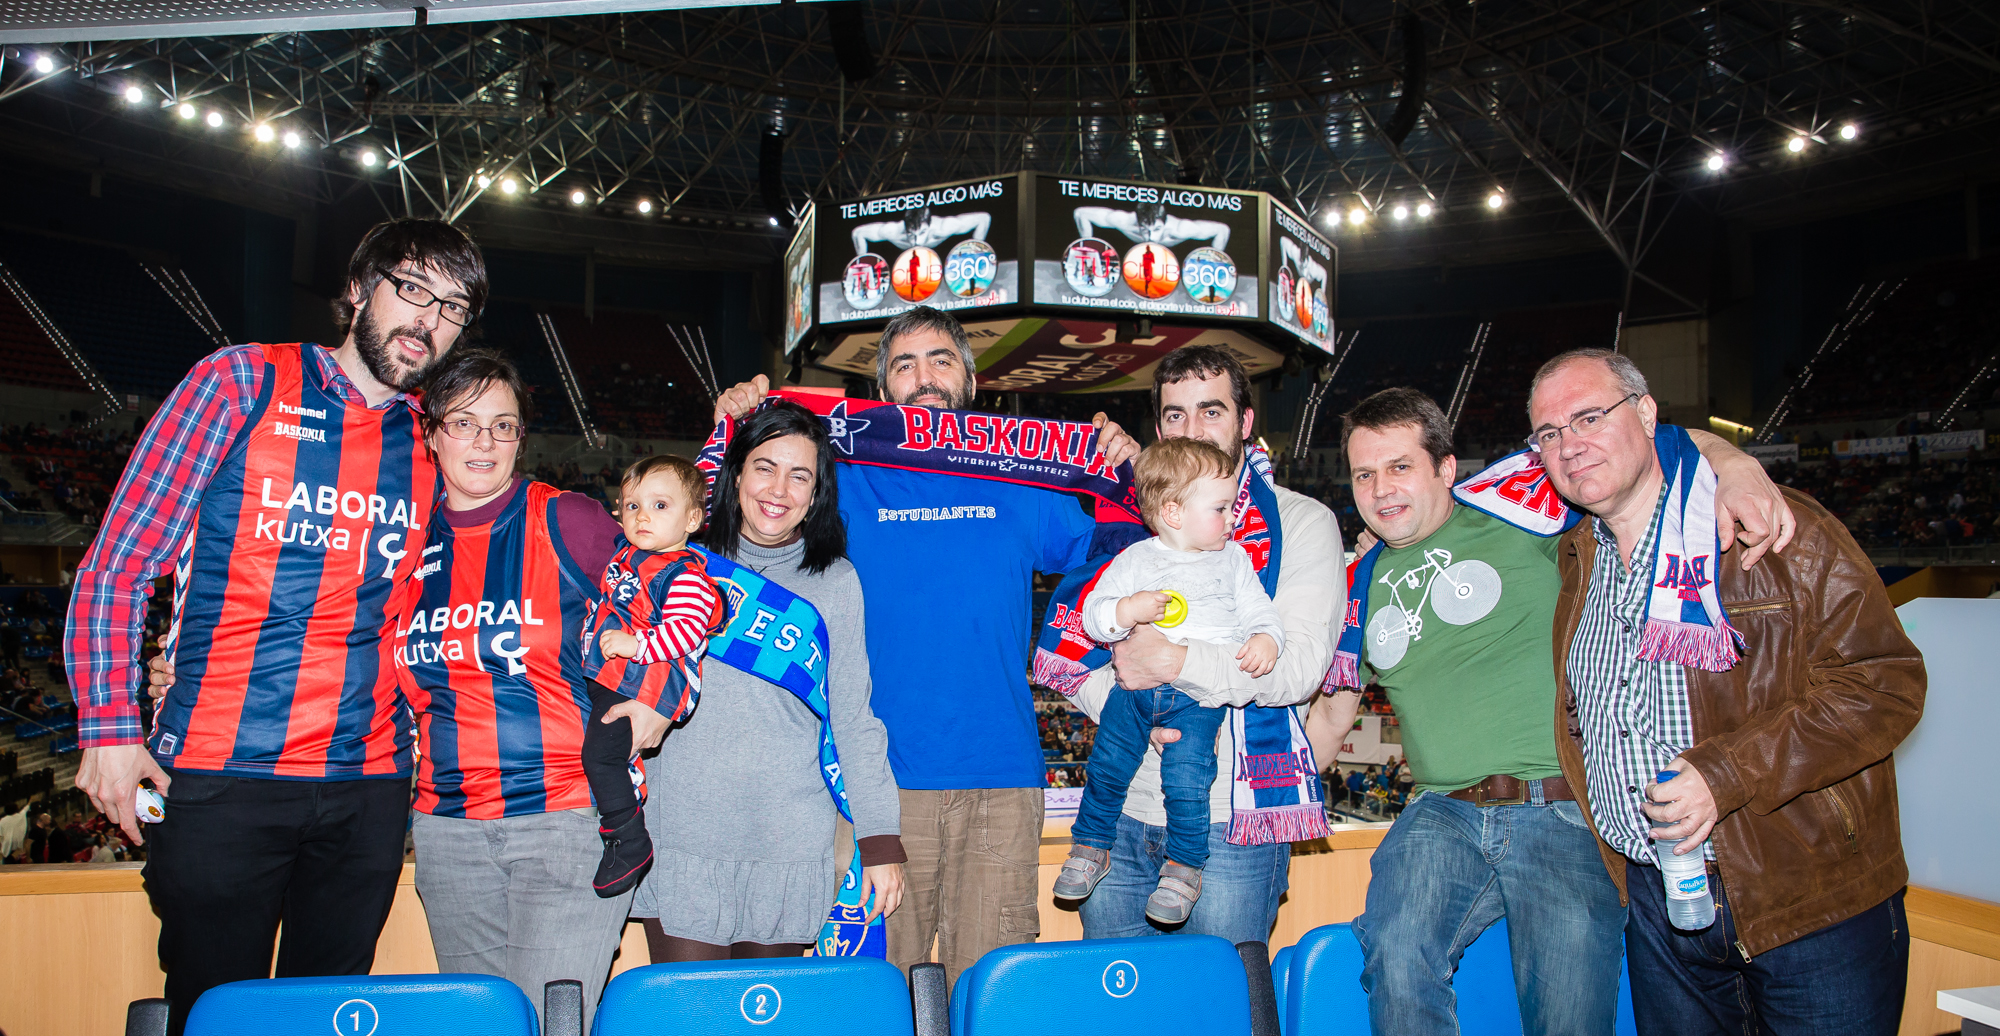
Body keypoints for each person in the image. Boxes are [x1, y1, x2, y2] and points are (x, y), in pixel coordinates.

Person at [66, 217, 484, 1034]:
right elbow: (118, 564)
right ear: (359, 291)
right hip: (219, 779)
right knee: (217, 1013)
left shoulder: (437, 439)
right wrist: (111, 728)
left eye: (454, 307)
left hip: (366, 789)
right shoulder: (237, 384)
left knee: (327, 1019)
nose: (429, 321)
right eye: (413, 290)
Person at [1315, 385, 1792, 1036]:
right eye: (1364, 474)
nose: (1381, 489)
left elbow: (1648, 449)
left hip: (1565, 811)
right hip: (1440, 817)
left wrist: (1735, 465)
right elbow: (1328, 720)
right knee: (1394, 960)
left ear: (1447, 468)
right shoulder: (1361, 584)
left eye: (1400, 467)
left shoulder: (1524, 508)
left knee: (1569, 1018)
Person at [707, 306, 1136, 983]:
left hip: (999, 780)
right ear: (882, 393)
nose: (923, 377)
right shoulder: (843, 476)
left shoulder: (1023, 476)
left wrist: (1131, 472)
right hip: (875, 787)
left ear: (970, 377)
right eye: (903, 365)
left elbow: (1124, 556)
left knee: (989, 995)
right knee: (873, 994)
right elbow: (741, 526)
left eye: (939, 360)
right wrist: (735, 427)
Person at [1532, 349, 1926, 1035]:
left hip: (1806, 898)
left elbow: (1883, 682)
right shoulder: (1575, 562)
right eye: (1548, 433)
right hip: (1661, 909)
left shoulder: (1768, 529)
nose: (1570, 444)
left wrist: (1727, 774)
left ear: (1648, 413)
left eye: (1589, 416)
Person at [392, 350, 668, 1023]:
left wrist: (657, 694)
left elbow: (672, 591)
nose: (484, 441)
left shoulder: (569, 520)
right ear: (431, 433)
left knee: (551, 1023)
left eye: (503, 425)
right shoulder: (399, 537)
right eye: (464, 422)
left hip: (568, 822)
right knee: (485, 1024)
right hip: (448, 831)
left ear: (523, 436)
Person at [1067, 345, 1345, 945]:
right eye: (1174, 416)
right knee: (1118, 1004)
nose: (1192, 430)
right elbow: (1078, 647)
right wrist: (1137, 702)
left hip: (1234, 819)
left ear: (1245, 423)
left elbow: (1294, 669)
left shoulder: (1302, 522)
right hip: (1121, 811)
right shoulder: (1134, 519)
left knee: (1218, 1011)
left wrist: (1176, 667)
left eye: (1211, 412)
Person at [630, 401, 905, 961]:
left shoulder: (837, 581)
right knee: (692, 1019)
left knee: (766, 1017)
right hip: (684, 833)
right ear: (734, 477)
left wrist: (879, 841)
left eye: (799, 474)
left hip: (788, 840)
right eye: (764, 466)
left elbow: (853, 717)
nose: (779, 488)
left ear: (815, 493)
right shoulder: (673, 563)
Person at [1054, 438, 1284, 924]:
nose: (1231, 518)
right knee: (1106, 769)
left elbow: (1261, 611)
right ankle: (1090, 847)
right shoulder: (1136, 559)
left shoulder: (1234, 561)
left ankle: (1184, 868)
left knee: (1187, 780)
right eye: (1220, 508)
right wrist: (1125, 610)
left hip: (1197, 700)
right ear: (1174, 512)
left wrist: (1266, 637)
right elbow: (1093, 618)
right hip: (1132, 694)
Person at [578, 454, 728, 897]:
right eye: (632, 506)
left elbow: (685, 632)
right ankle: (629, 796)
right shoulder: (627, 558)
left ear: (694, 519)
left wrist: (635, 645)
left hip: (649, 682)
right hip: (619, 679)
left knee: (600, 756)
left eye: (660, 506)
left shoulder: (685, 575)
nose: (643, 516)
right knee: (606, 753)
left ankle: (629, 840)